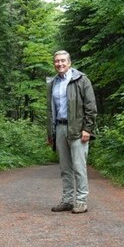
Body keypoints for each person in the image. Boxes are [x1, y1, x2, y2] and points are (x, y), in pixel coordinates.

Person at [47, 50, 97, 214]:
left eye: (63, 61)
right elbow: (51, 110)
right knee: (65, 167)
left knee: (79, 167)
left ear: (69, 62)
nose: (59, 64)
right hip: (60, 128)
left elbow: (91, 107)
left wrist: (87, 129)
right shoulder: (53, 83)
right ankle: (68, 200)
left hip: (77, 128)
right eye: (57, 61)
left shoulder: (82, 80)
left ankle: (81, 201)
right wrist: (50, 133)